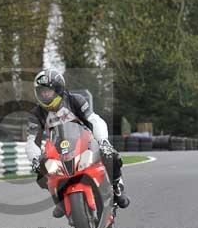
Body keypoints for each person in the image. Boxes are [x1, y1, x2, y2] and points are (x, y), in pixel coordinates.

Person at [25, 69, 130, 217]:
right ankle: (60, 200)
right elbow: (32, 140)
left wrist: (103, 142)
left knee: (111, 155)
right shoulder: (36, 114)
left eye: (48, 91)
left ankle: (117, 187)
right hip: (57, 150)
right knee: (40, 173)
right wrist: (35, 159)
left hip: (85, 143)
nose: (45, 95)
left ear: (58, 89)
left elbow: (94, 120)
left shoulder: (75, 100)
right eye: (41, 92)